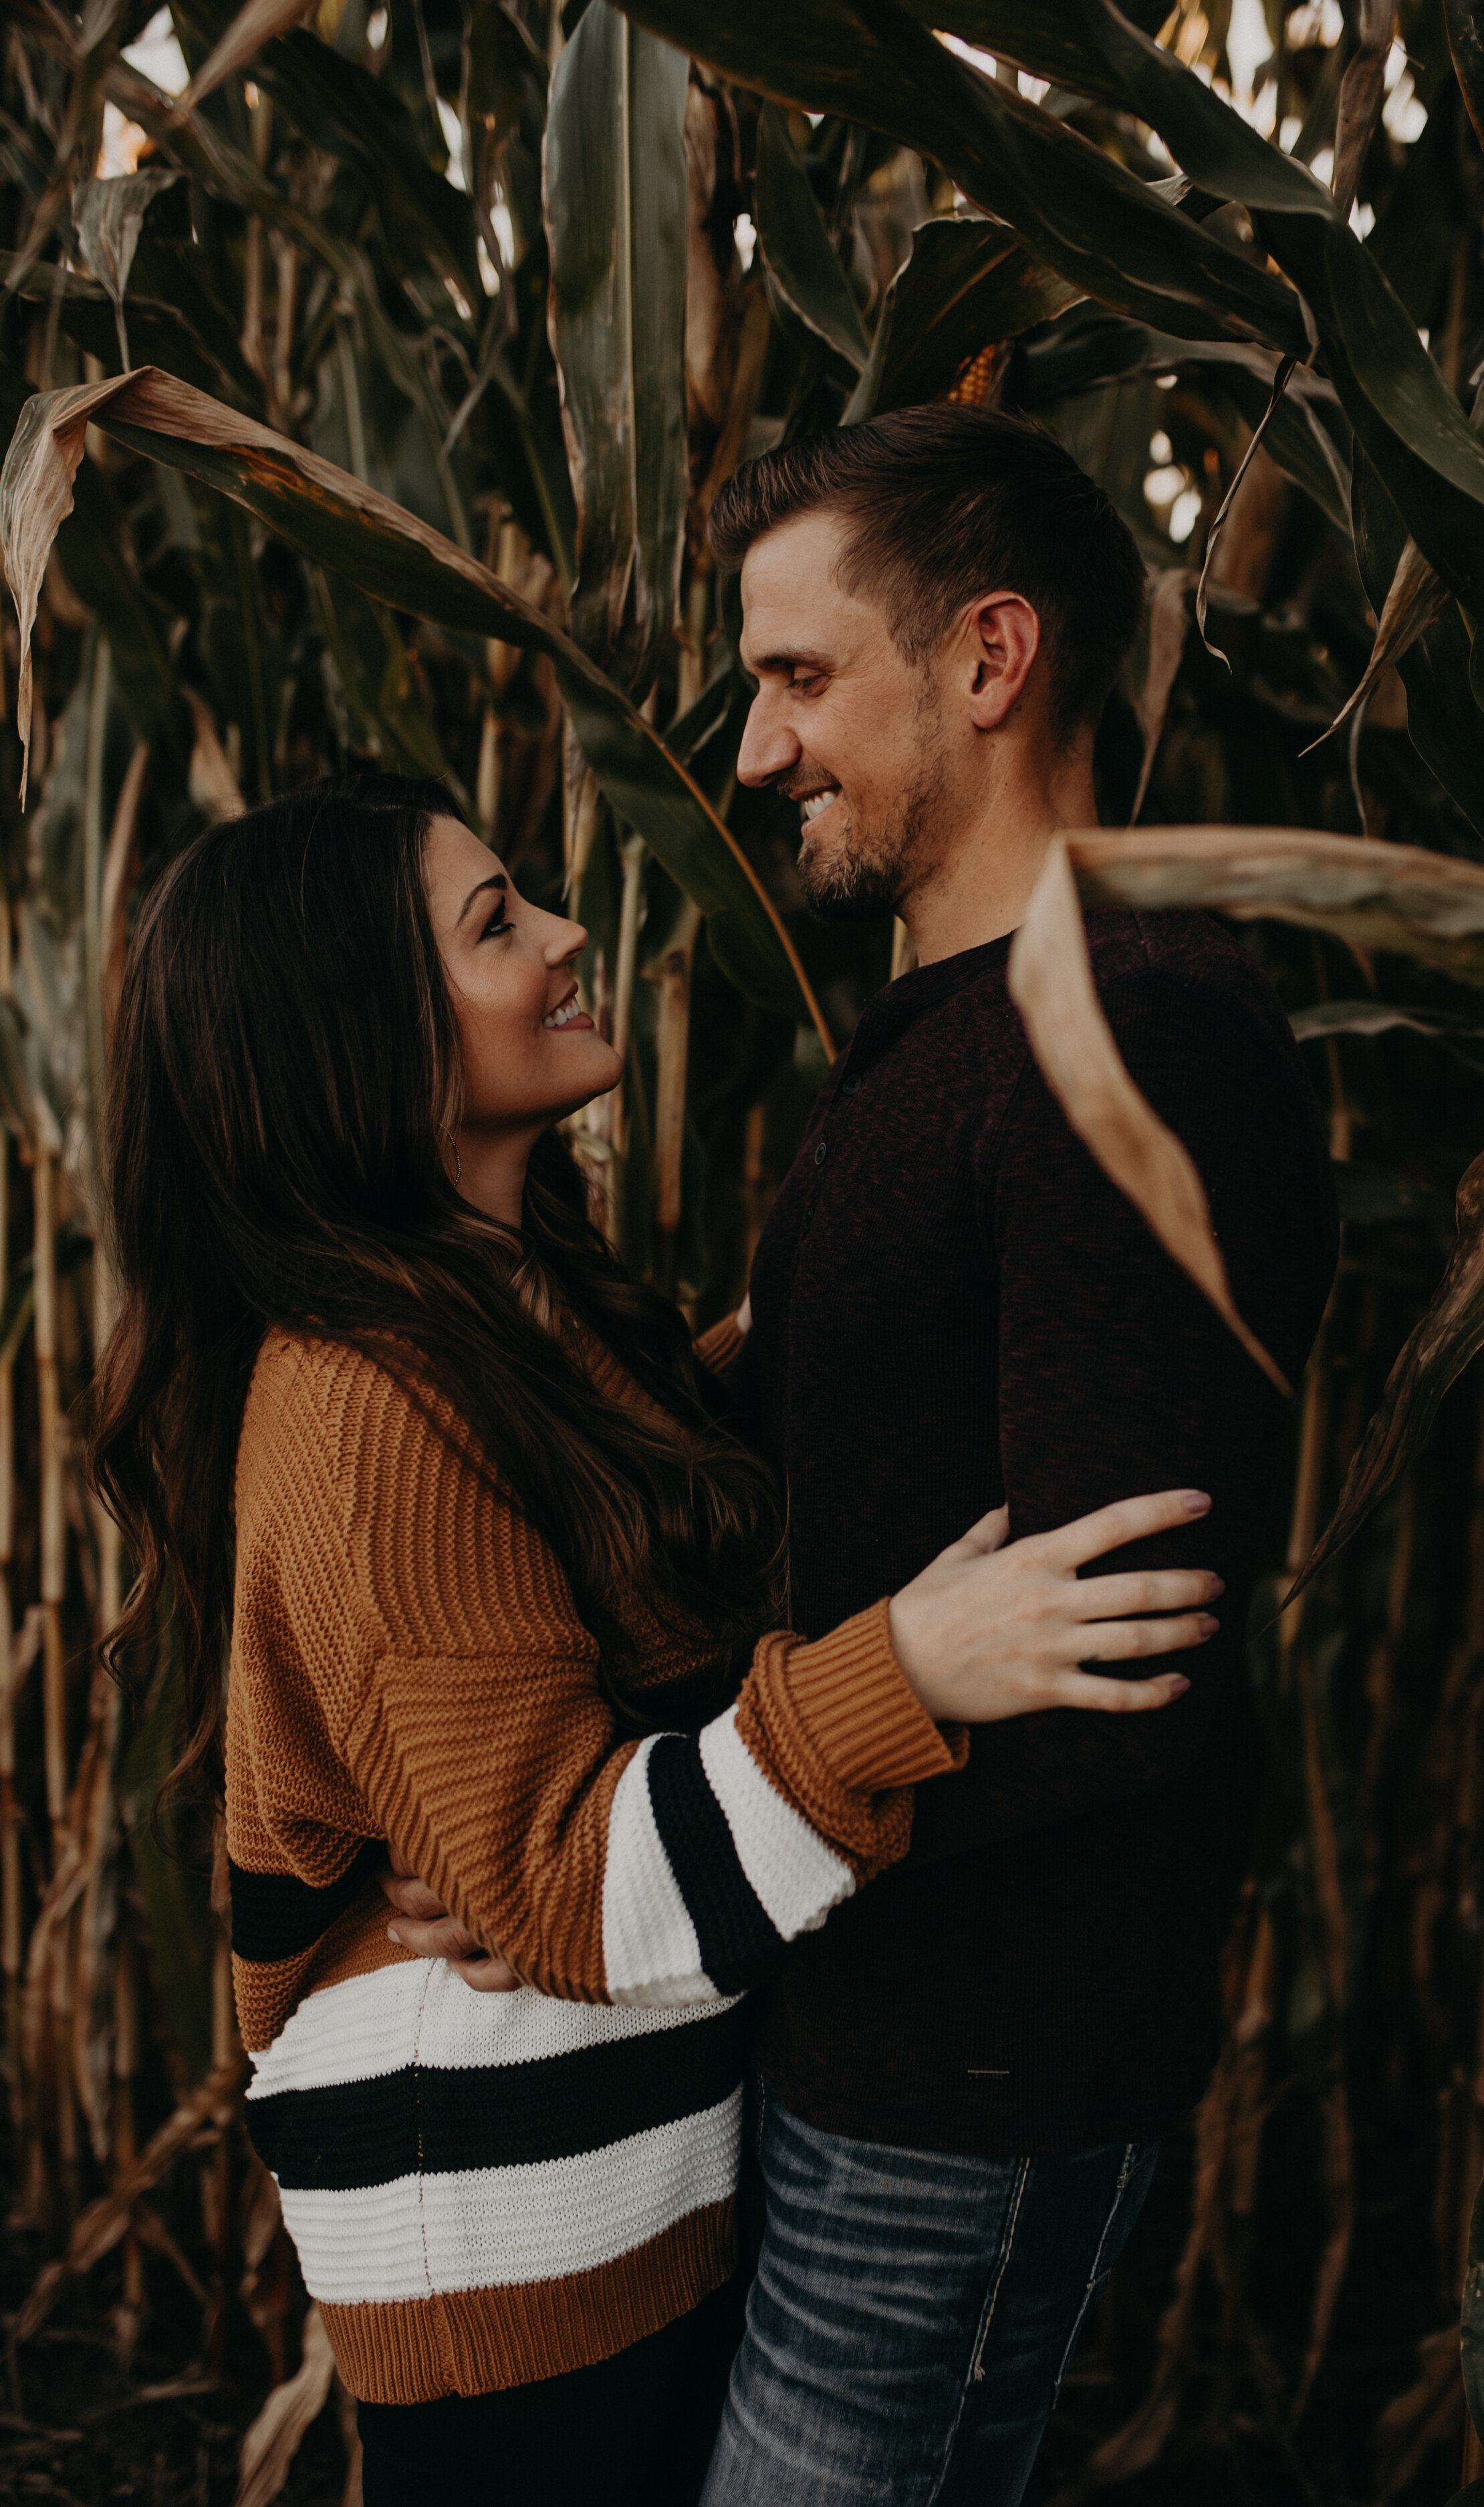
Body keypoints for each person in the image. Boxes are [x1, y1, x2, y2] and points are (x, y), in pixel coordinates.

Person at [387, 407, 1337, 2504]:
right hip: (857, 2012)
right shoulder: (957, 1034)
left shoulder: (1125, 1033)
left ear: (989, 660)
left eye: (798, 678)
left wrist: (651, 1846)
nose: (749, 751)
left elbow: (1112, 1664)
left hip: (972, 2061)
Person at [91, 775, 1224, 2506]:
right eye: (493, 925)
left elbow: (584, 1531)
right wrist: (904, 1674)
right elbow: (554, 1892)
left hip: (613, 2177)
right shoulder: (362, 1404)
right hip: (509, 2247)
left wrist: (839, 1305)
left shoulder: (499, 1295)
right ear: (356, 1045)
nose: (562, 935)